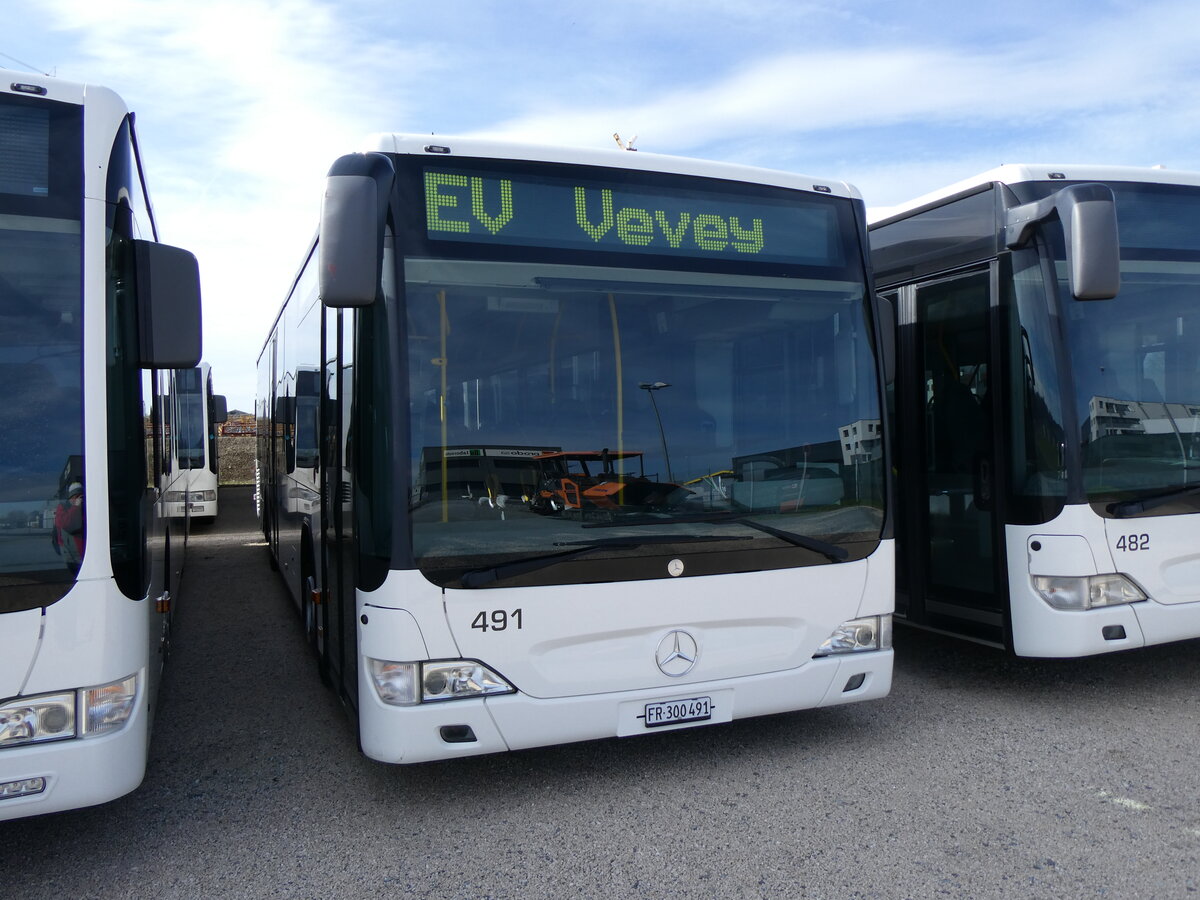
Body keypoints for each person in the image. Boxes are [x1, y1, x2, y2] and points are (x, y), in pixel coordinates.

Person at [53, 481, 85, 574]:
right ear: (71, 498)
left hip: (86, 553)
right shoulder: (63, 507)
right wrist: (76, 507)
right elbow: (67, 524)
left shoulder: (87, 507)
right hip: (71, 556)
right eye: (76, 496)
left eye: (81, 496)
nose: (80, 499)